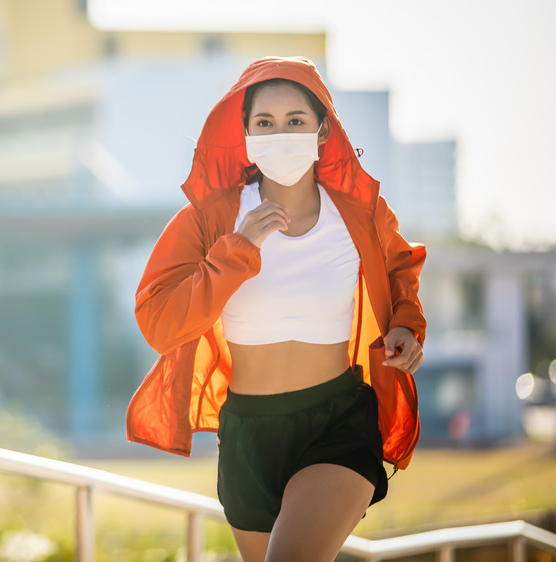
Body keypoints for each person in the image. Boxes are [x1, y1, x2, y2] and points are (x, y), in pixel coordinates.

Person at [125, 56, 427, 561]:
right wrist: (237, 250)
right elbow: (158, 320)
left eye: (296, 121)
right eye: (264, 122)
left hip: (338, 421)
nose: (280, 133)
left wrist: (405, 324)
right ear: (244, 133)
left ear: (323, 129)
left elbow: (400, 270)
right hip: (247, 431)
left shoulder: (359, 212)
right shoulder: (211, 217)